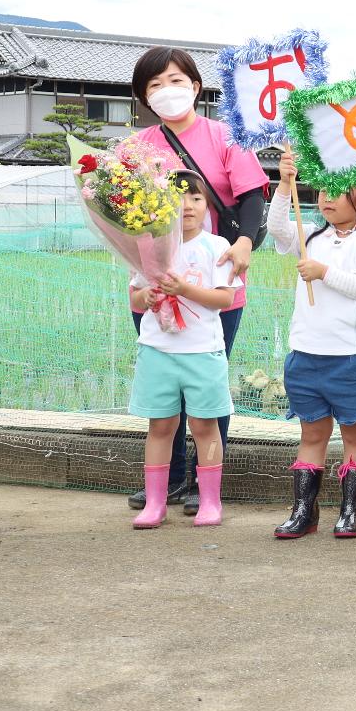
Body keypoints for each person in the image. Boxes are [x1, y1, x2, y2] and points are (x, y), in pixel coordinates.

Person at [127, 47, 269, 517]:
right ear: (143, 96)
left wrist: (246, 241)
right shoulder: (137, 147)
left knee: (207, 384)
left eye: (175, 80)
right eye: (155, 85)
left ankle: (200, 486)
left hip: (215, 280)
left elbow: (251, 196)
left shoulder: (225, 136)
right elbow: (120, 210)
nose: (167, 91)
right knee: (166, 389)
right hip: (155, 285)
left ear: (195, 85)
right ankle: (164, 484)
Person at [266, 152, 356, 539]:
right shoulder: (311, 236)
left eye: (339, 191)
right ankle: (305, 511)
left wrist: (324, 272)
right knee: (312, 435)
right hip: (306, 353)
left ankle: (351, 511)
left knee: (355, 434)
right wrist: (286, 184)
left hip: (350, 356)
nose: (327, 198)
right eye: (322, 190)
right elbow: (276, 227)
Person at [125, 172, 236, 529]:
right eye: (177, 197)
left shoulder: (218, 247)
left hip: (202, 351)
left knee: (205, 425)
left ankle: (210, 501)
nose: (187, 205)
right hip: (157, 350)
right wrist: (150, 296)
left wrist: (183, 288)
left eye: (196, 198)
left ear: (208, 206)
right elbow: (136, 297)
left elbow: (224, 298)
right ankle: (155, 503)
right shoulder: (149, 245)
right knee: (160, 425)